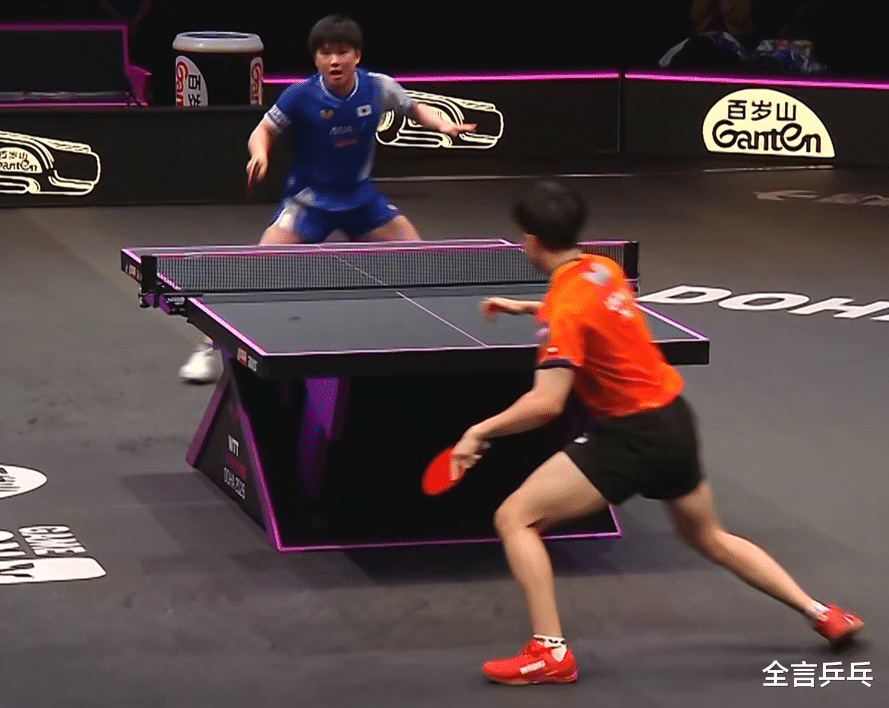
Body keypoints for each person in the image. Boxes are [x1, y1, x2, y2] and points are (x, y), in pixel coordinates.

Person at [448, 179, 865, 686]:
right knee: (708, 535)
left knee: (516, 517)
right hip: (674, 421)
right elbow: (586, 310)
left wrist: (478, 432)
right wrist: (525, 306)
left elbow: (546, 403)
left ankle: (550, 652)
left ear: (532, 241)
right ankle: (822, 612)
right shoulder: (603, 268)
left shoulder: (565, 308)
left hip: (630, 436)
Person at [179, 14, 476, 383]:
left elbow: (414, 108)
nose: (334, 61)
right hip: (309, 202)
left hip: (362, 199)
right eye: (325, 53)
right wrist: (260, 153)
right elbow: (263, 129)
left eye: (342, 52)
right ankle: (208, 347)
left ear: (357, 55)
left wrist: (442, 124)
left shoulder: (378, 87)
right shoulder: (300, 95)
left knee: (418, 259)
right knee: (258, 270)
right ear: (316, 58)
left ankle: (443, 345)